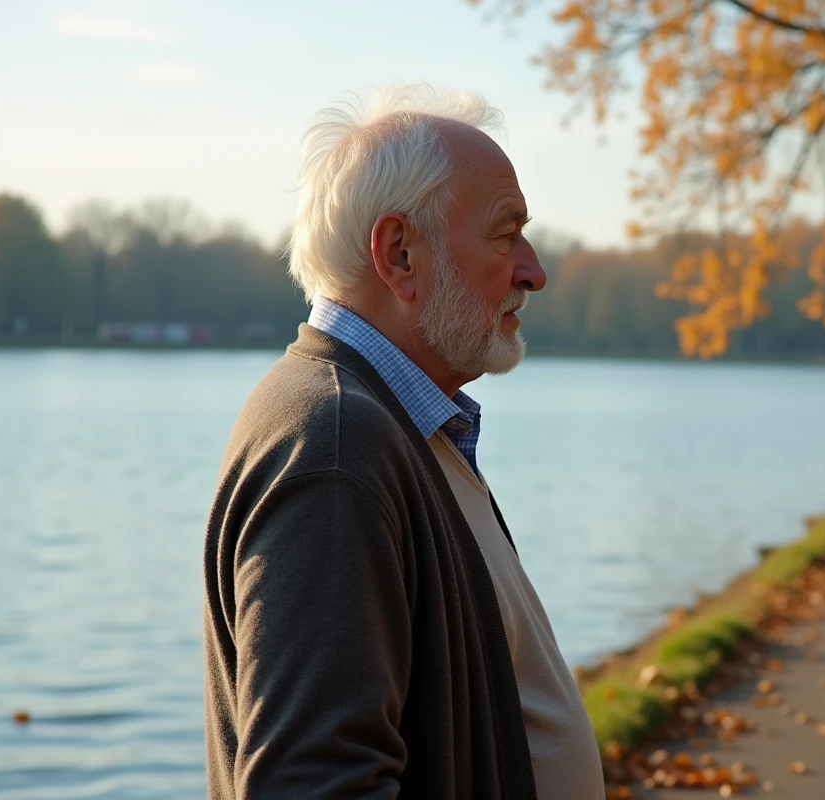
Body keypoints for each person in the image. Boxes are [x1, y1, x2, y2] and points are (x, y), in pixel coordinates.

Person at [202, 85, 604, 799]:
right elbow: (315, 784)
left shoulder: (402, 428)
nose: (533, 269)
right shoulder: (333, 450)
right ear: (400, 254)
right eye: (504, 232)